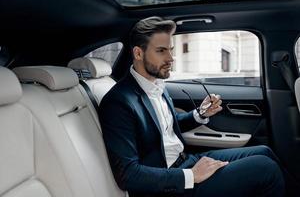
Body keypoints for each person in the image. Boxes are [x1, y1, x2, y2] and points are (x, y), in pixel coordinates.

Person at [98, 16, 285, 197]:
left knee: (264, 151)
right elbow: (129, 175)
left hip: (186, 161)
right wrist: (191, 176)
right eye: (161, 51)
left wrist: (199, 114)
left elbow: (165, 127)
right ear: (138, 53)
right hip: (169, 182)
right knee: (266, 168)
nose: (171, 58)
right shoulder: (118, 102)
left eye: (171, 49)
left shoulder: (156, 85)